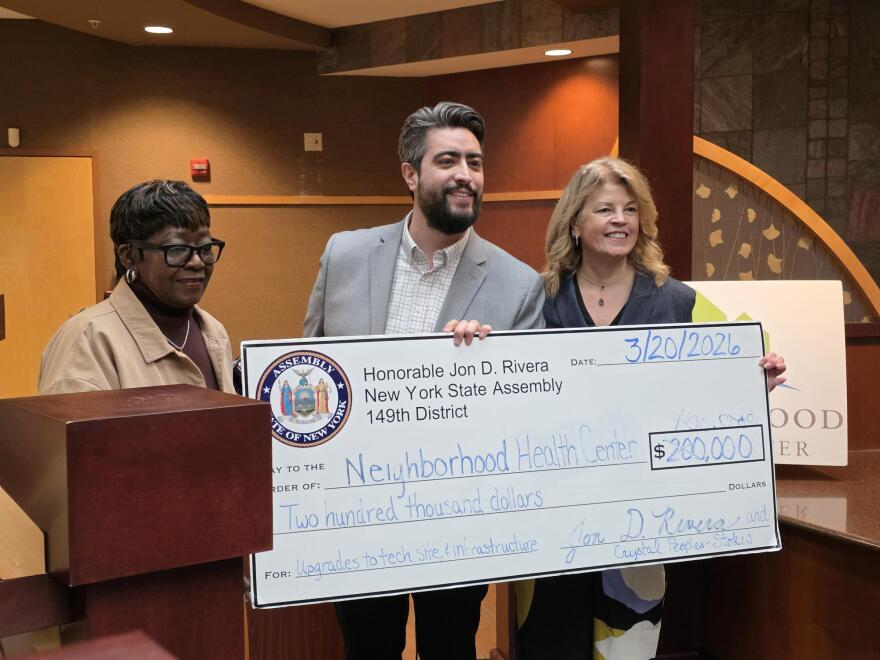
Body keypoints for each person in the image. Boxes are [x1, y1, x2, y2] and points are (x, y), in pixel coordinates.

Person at [514, 157, 786, 660]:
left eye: (630, 209)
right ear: (574, 223)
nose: (620, 219)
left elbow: (723, 384)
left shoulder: (676, 301)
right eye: (604, 209)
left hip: (641, 527)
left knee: (625, 651)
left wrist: (756, 383)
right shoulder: (537, 299)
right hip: (551, 524)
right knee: (546, 646)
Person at [303, 101, 545, 660]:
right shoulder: (346, 253)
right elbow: (312, 370)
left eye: (476, 162)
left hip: (457, 516)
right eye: (449, 160)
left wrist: (488, 372)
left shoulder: (520, 285)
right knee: (367, 648)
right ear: (411, 174)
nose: (466, 174)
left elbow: (527, 420)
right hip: (356, 510)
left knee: (450, 647)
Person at [39, 180, 233, 395]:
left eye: (205, 247)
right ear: (129, 256)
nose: (197, 262)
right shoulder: (86, 339)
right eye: (177, 248)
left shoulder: (214, 332)